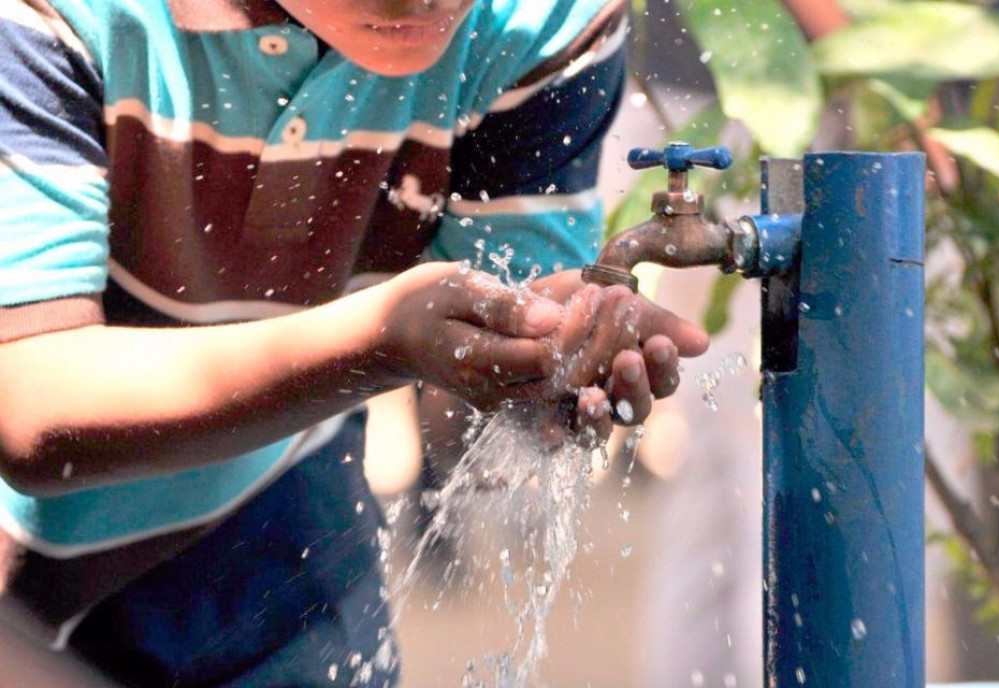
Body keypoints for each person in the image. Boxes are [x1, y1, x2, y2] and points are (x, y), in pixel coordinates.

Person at [0, 0, 708, 685]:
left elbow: (479, 413)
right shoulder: (58, 17)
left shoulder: (537, 18)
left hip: (280, 543)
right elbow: (29, 398)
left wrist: (548, 363)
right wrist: (378, 341)